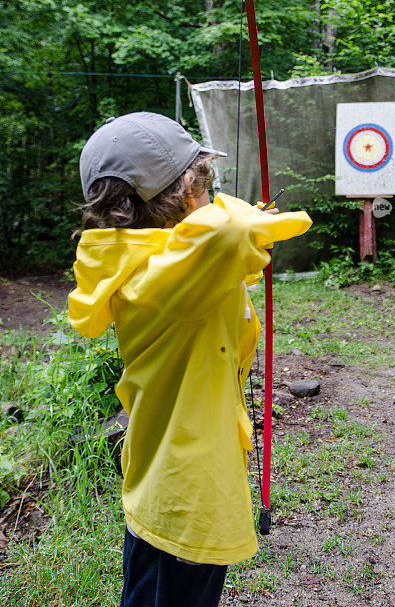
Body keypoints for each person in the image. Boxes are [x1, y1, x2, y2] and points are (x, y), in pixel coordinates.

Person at [68, 112, 312, 607]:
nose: (210, 191)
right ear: (182, 189)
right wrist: (227, 213)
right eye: (202, 179)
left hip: (177, 472)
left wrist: (205, 213)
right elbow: (232, 231)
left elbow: (215, 256)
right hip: (184, 490)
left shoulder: (158, 264)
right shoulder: (161, 276)